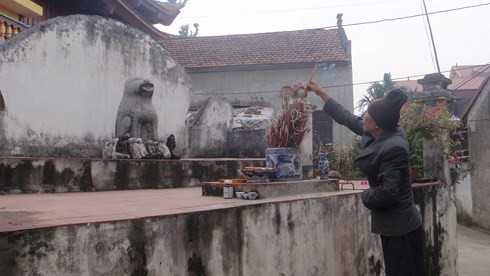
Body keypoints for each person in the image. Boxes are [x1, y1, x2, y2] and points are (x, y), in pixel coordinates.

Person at [306, 80, 425, 276]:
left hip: (401, 229)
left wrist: (364, 194)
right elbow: (346, 117)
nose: (364, 116)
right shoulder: (379, 131)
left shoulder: (394, 147)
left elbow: (388, 193)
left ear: (377, 123)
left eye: (367, 114)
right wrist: (320, 92)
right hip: (393, 227)